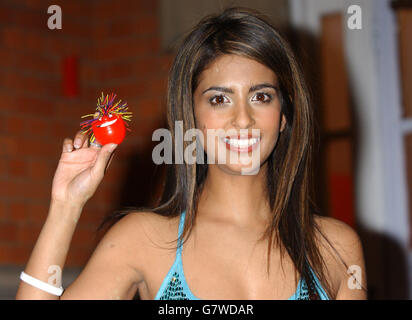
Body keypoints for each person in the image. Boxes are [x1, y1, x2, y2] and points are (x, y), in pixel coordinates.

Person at [16, 7, 367, 300]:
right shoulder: (144, 241)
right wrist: (65, 207)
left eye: (261, 96)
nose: (243, 119)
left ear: (283, 116)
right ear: (192, 118)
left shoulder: (335, 248)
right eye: (219, 99)